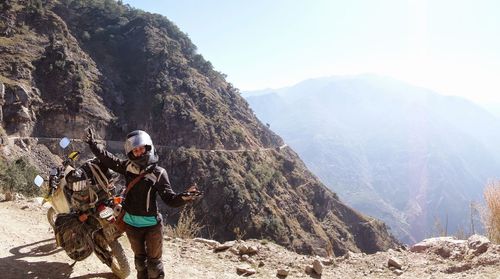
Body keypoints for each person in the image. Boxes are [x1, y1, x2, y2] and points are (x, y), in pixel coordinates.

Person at [85, 128, 199, 279]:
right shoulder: (127, 167)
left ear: (148, 148)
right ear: (131, 153)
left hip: (152, 226)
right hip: (132, 225)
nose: (139, 152)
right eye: (135, 150)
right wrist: (92, 144)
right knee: (140, 264)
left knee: (154, 267)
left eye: (141, 149)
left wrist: (184, 197)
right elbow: (108, 159)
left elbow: (170, 199)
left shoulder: (158, 173)